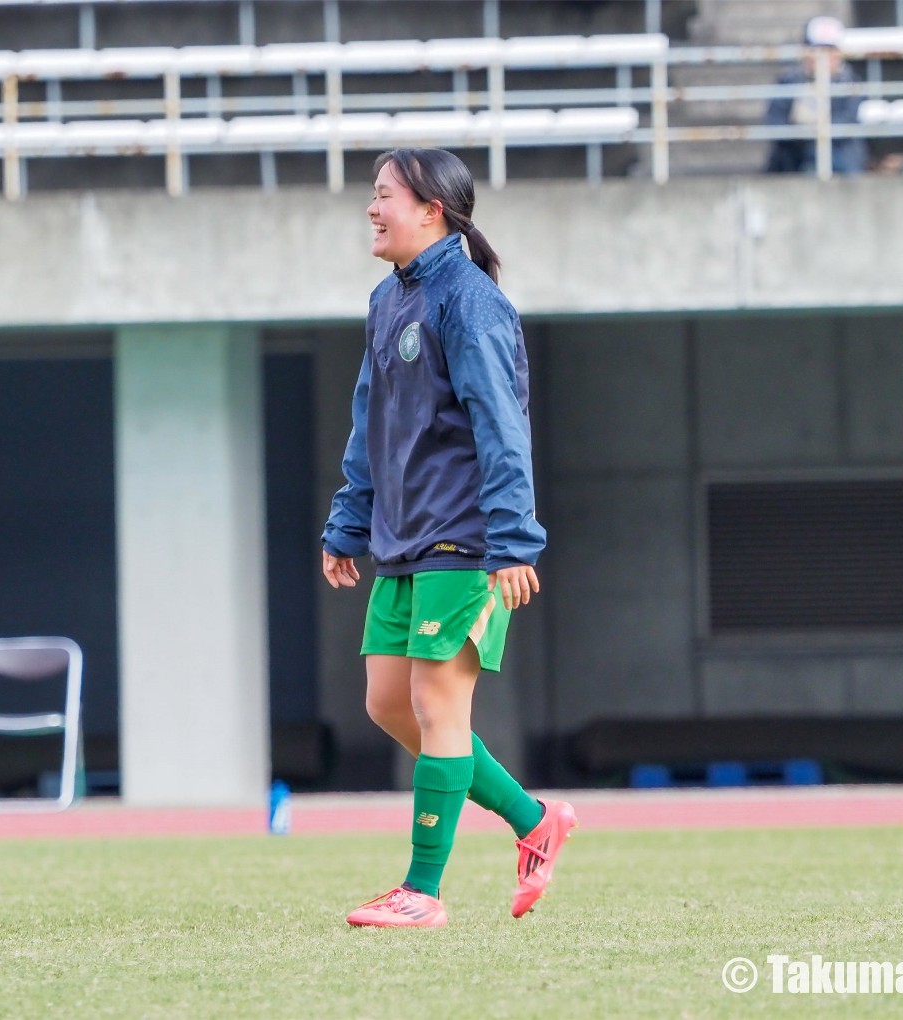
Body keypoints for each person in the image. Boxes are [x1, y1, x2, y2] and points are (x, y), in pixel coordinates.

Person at [322, 147, 576, 928]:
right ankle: (535, 820)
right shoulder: (386, 301)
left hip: (464, 538)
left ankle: (422, 894)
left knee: (436, 705)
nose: (372, 208)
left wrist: (514, 540)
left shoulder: (471, 302)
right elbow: (370, 424)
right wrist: (348, 521)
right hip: (403, 540)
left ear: (432, 209)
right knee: (387, 702)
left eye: (384, 195)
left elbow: (504, 425)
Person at [765, 15, 868, 176]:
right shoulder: (789, 80)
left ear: (839, 53)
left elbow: (846, 123)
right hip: (793, 155)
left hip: (840, 157)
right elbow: (775, 120)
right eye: (814, 48)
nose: (819, 56)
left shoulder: (851, 83)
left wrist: (813, 134)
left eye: (828, 50)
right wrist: (802, 135)